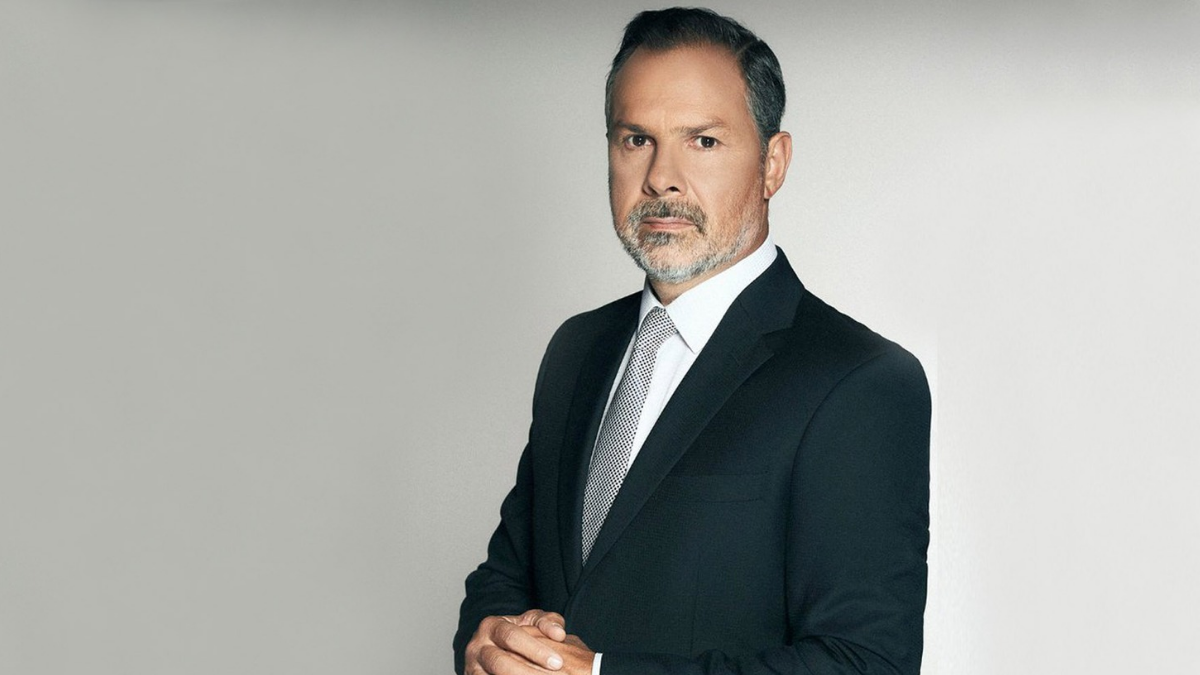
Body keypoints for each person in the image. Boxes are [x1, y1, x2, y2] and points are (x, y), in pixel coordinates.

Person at [454, 7, 930, 675]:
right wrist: (487, 642)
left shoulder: (860, 381)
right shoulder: (577, 350)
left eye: (702, 141)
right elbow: (509, 571)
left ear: (772, 163)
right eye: (636, 139)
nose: (661, 177)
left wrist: (599, 673)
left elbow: (863, 662)